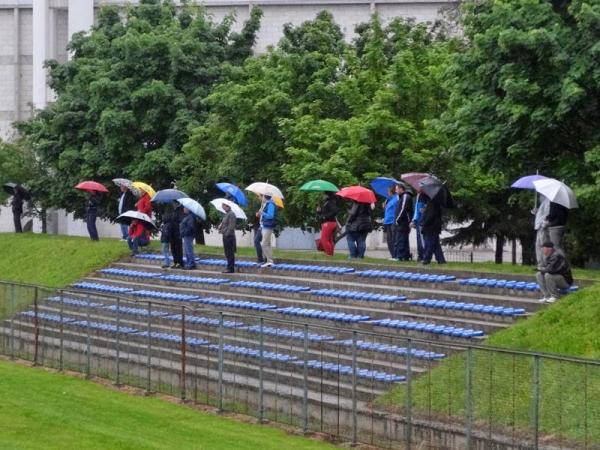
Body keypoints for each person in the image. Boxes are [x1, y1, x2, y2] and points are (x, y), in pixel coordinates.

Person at [420, 195, 446, 265]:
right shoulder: (432, 202)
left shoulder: (432, 202)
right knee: (436, 245)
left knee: (429, 244)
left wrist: (423, 223)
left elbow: (430, 215)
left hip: (431, 227)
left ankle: (426, 259)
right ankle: (441, 260)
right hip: (434, 226)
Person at [393, 183, 413, 261]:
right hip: (403, 221)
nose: (395, 191)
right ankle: (406, 256)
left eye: (396, 189)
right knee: (403, 239)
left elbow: (403, 209)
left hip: (403, 222)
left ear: (401, 189)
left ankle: (400, 256)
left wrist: (398, 219)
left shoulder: (405, 196)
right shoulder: (401, 197)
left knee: (401, 239)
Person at [317, 192, 339, 257]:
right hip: (330, 223)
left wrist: (325, 216)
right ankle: (331, 254)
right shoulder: (327, 203)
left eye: (323, 194)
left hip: (328, 223)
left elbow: (336, 211)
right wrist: (319, 212)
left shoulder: (330, 203)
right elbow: (324, 214)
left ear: (327, 195)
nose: (322, 196)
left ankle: (329, 254)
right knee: (330, 239)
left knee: (324, 239)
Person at [218, 202, 237, 273]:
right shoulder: (227, 214)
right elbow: (225, 224)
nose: (222, 207)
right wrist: (220, 226)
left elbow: (231, 226)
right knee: (227, 252)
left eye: (223, 206)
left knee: (230, 252)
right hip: (225, 235)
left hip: (229, 236)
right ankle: (229, 266)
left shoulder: (231, 214)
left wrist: (226, 234)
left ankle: (230, 268)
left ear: (227, 206)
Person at [532, 194, 550, 268]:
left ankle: (545, 264)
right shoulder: (543, 203)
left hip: (543, 227)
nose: (539, 197)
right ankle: (540, 264)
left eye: (540, 195)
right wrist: (536, 212)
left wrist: (543, 225)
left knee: (543, 246)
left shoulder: (548, 202)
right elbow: (541, 214)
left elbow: (547, 215)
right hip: (539, 227)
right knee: (538, 246)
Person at [259, 193, 277, 268]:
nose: (261, 198)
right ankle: (269, 261)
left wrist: (262, 213)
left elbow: (270, 215)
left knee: (263, 244)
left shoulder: (271, 204)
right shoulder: (266, 204)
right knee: (268, 244)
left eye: (262, 196)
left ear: (265, 197)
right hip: (265, 225)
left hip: (268, 226)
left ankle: (270, 261)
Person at [410, 189, 427, 262]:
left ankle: (423, 256)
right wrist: (414, 220)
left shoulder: (423, 196)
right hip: (418, 221)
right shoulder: (417, 197)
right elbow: (416, 211)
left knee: (422, 240)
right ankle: (420, 256)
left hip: (421, 221)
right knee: (419, 239)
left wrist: (414, 220)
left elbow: (420, 211)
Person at [382, 187, 399, 260]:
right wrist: (384, 207)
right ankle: (393, 255)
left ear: (391, 191)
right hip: (387, 221)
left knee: (393, 239)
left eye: (388, 191)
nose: (387, 192)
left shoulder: (396, 199)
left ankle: (396, 255)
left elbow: (396, 209)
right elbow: (388, 210)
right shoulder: (389, 200)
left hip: (393, 221)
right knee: (389, 240)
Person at [167, 202, 184, 268]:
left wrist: (174, 222)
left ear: (177, 204)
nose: (173, 204)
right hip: (172, 232)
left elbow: (180, 220)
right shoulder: (174, 211)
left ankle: (179, 262)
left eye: (174, 203)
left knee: (178, 248)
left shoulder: (180, 210)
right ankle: (175, 262)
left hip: (177, 232)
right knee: (173, 248)